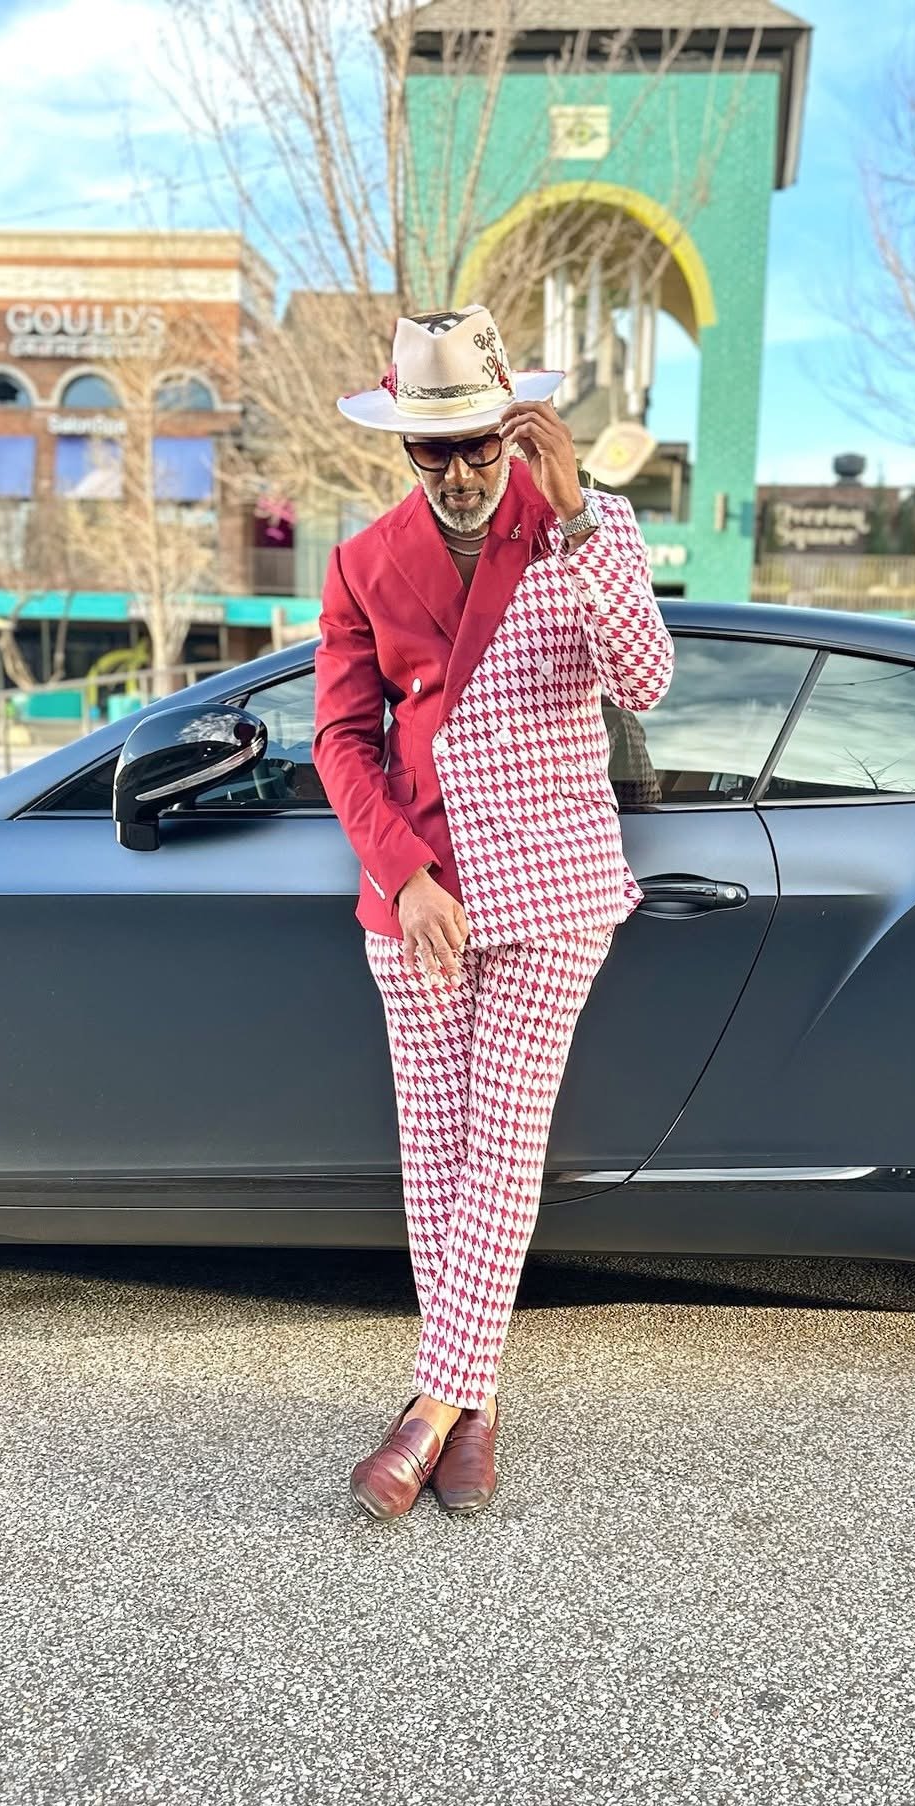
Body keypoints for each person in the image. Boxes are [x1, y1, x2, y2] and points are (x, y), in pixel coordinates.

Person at [313, 305, 673, 1522]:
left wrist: (576, 510)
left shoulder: (581, 524)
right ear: (401, 446)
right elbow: (341, 737)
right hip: (416, 894)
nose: (462, 473)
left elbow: (647, 679)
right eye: (434, 451)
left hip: (556, 881)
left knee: (506, 1142)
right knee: (438, 1155)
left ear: (514, 424)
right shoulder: (364, 561)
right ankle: (480, 1399)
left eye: (479, 443)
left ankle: (428, 1405)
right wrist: (405, 873)